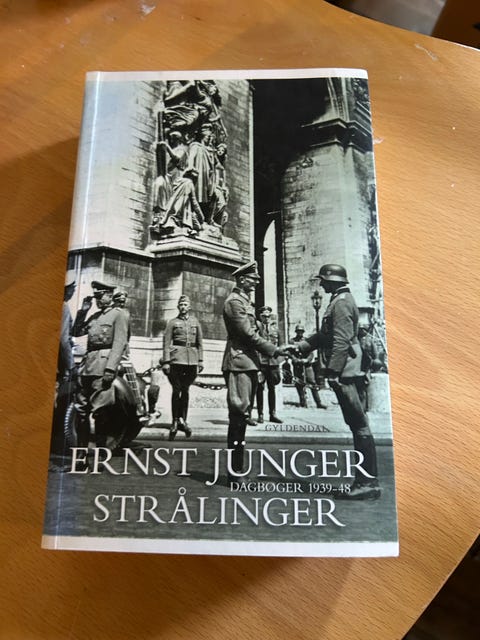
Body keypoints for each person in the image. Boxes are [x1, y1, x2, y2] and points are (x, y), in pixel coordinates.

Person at [289, 264, 381, 500]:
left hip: (346, 372)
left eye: (323, 280)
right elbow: (325, 336)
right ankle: (366, 481)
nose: (321, 284)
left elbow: (340, 340)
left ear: (332, 280)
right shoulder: (340, 300)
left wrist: (332, 372)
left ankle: (367, 483)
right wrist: (300, 347)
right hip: (348, 368)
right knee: (357, 424)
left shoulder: (340, 303)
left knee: (359, 425)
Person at [222, 261, 289, 476]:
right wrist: (274, 350)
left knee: (242, 416)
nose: (257, 282)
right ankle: (235, 472)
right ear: (242, 279)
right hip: (239, 362)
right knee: (238, 416)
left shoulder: (244, 302)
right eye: (253, 278)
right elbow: (247, 334)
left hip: (248, 362)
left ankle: (237, 469)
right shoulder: (234, 302)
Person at [72, 280, 130, 448]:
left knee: (101, 412)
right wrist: (83, 311)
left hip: (103, 368)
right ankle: (81, 453)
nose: (97, 300)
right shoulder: (95, 317)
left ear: (110, 296)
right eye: (96, 297)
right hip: (87, 367)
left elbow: (119, 343)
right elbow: (76, 331)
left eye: (100, 296)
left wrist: (110, 369)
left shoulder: (119, 315)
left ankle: (100, 453)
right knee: (81, 411)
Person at [162, 295, 203, 440]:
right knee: (176, 390)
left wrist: (200, 360)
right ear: (178, 307)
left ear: (189, 307)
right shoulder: (172, 322)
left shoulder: (195, 322)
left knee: (185, 391)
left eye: (185, 304)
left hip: (191, 361)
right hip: (176, 360)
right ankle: (174, 420)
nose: (183, 307)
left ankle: (183, 420)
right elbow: (166, 343)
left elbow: (200, 343)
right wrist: (166, 361)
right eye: (181, 305)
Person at [255, 306, 283, 424]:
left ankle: (272, 414)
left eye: (268, 316)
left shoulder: (276, 329)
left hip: (273, 363)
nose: (266, 318)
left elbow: (281, 346)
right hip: (261, 363)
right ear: (260, 317)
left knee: (272, 388)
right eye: (264, 316)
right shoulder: (257, 328)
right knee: (259, 388)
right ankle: (260, 414)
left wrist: (278, 361)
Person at [290, 324, 325, 409]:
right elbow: (290, 353)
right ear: (296, 332)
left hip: (307, 365)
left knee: (312, 382)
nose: (300, 333)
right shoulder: (292, 341)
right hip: (297, 365)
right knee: (299, 383)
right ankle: (302, 401)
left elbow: (311, 353)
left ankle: (318, 402)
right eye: (298, 331)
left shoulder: (307, 340)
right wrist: (296, 360)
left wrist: (307, 360)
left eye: (301, 331)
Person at [57, 274, 76, 383]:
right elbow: (63, 339)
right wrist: (71, 365)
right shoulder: (63, 307)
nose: (74, 291)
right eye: (73, 288)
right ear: (67, 290)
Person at [358, 322, 380, 411]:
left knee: (365, 386)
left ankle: (365, 406)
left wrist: (374, 364)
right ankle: (361, 406)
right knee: (359, 386)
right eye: (360, 329)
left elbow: (375, 354)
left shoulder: (370, 340)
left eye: (363, 329)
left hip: (367, 366)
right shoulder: (356, 340)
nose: (362, 331)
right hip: (358, 365)